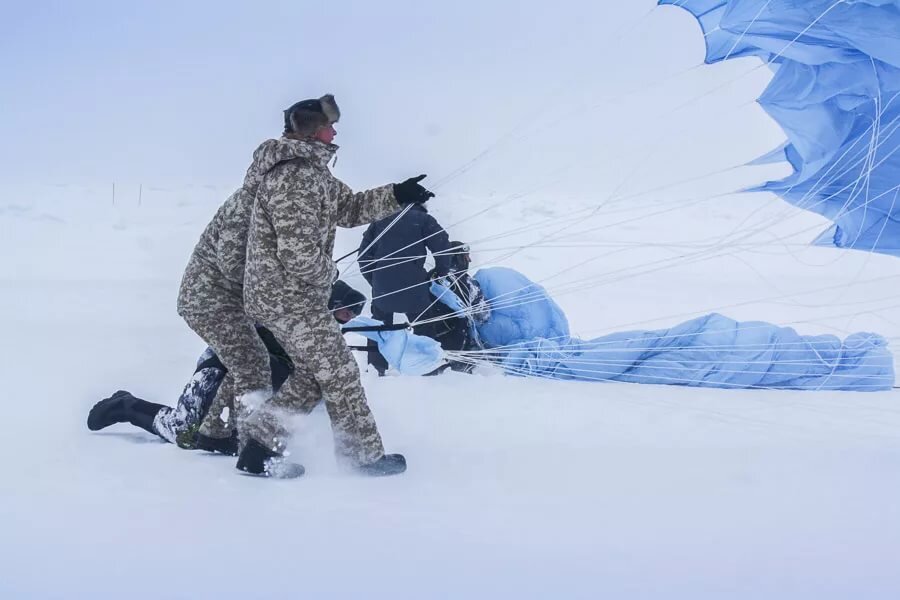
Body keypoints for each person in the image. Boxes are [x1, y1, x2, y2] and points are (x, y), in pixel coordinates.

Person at [236, 94, 435, 478]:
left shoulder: (313, 173)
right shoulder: (292, 177)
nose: (336, 131)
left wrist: (398, 194)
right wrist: (330, 277)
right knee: (340, 370)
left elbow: (349, 208)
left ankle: (258, 449)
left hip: (289, 294)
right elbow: (295, 253)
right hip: (285, 297)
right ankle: (360, 457)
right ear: (314, 130)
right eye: (331, 125)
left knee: (317, 372)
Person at [86, 282, 366, 454]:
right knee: (186, 432)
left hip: (253, 389)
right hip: (219, 368)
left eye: (350, 317)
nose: (345, 320)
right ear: (330, 304)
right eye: (343, 312)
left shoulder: (324, 336)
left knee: (234, 442)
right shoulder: (281, 311)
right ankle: (124, 405)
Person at [358, 201, 456, 374]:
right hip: (414, 285)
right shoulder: (424, 220)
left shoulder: (380, 220)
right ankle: (429, 368)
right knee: (424, 324)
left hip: (382, 285)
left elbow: (364, 258)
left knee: (379, 326)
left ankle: (376, 368)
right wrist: (440, 272)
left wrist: (376, 281)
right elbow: (443, 246)